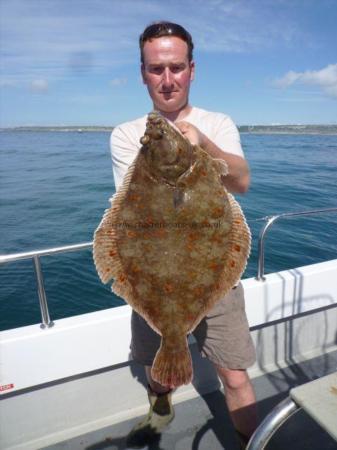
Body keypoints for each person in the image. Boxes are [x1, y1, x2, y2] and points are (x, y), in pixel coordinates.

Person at [110, 21, 257, 448]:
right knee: (157, 368)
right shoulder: (125, 134)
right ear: (143, 73)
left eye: (176, 67)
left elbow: (242, 183)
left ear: (192, 69)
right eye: (156, 69)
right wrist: (172, 148)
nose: (167, 79)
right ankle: (160, 405)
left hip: (213, 269)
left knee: (234, 373)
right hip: (153, 273)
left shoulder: (218, 123)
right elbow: (137, 204)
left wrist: (203, 146)